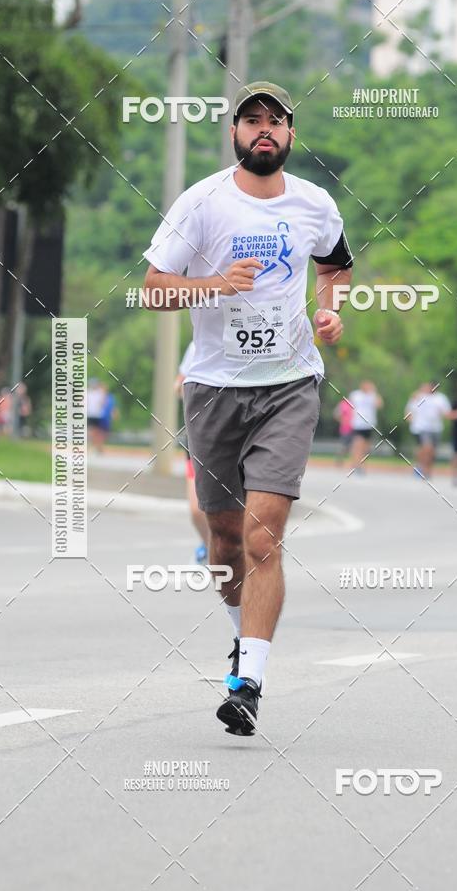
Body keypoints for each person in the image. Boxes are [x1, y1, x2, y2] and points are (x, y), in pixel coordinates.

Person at [142, 81, 354, 736]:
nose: (265, 128)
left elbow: (335, 267)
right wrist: (214, 283)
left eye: (276, 120)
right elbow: (152, 290)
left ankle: (249, 682)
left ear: (291, 134)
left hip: (290, 384)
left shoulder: (315, 203)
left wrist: (330, 309)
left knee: (264, 535)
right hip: (213, 388)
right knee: (226, 541)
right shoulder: (202, 203)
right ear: (234, 132)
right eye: (252, 119)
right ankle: (242, 637)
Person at [175, 340, 209, 564]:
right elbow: (178, 385)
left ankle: (232, 554)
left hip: (239, 432)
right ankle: (210, 548)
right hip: (199, 435)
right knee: (197, 510)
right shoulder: (199, 343)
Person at [405, 381, 451, 479]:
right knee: (426, 448)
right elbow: (409, 409)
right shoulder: (418, 396)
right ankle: (422, 469)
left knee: (432, 451)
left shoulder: (441, 398)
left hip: (436, 428)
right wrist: (410, 419)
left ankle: (427, 469)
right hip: (421, 427)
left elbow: (447, 412)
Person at [348, 381, 383, 473]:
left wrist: (374, 392)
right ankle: (356, 464)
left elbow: (379, 405)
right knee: (358, 445)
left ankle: (362, 465)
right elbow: (349, 406)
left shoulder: (372, 395)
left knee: (366, 448)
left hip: (369, 424)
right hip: (358, 424)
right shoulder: (355, 394)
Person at [87, 379, 107, 452]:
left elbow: (103, 402)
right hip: (91, 414)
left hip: (98, 415)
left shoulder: (99, 393)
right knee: (92, 431)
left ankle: (96, 446)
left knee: (97, 432)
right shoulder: (88, 392)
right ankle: (94, 445)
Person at [333, 395, 353, 466]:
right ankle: (339, 460)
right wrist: (342, 421)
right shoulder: (343, 404)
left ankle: (353, 462)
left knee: (354, 446)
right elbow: (336, 414)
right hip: (346, 429)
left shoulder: (356, 403)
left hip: (355, 428)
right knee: (344, 446)